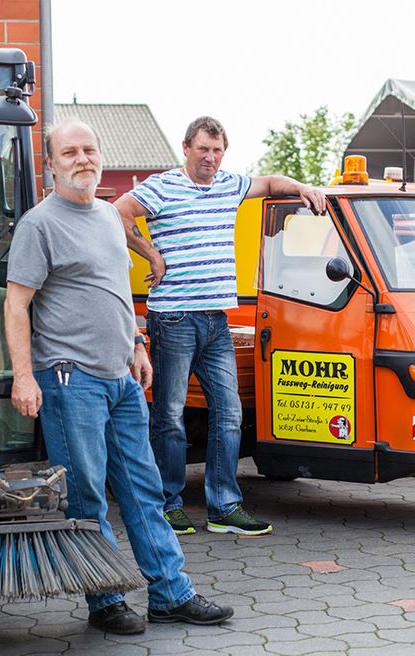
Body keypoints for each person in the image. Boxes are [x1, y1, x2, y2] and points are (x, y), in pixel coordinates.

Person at [4, 119, 233, 635]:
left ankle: (171, 594)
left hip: (121, 378)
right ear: (51, 163)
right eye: (70, 152)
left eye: (89, 149)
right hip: (69, 379)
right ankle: (105, 600)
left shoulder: (109, 216)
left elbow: (115, 290)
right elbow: (17, 305)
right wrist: (24, 376)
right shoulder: (39, 225)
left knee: (144, 488)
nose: (82, 158)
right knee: (87, 495)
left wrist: (136, 343)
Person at [114, 116, 325, 537]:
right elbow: (118, 212)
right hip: (173, 316)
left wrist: (302, 188)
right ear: (187, 148)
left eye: (217, 150)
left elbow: (268, 183)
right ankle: (168, 505)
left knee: (229, 412)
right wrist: (150, 255)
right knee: (170, 416)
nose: (210, 158)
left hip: (216, 319)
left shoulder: (230, 184)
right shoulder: (163, 186)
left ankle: (224, 506)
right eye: (203, 149)